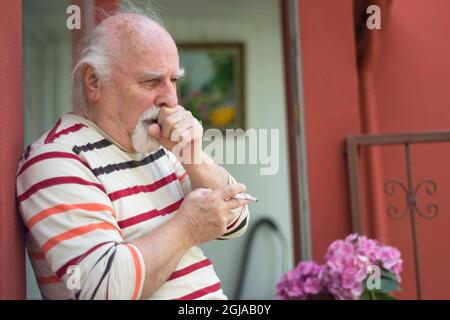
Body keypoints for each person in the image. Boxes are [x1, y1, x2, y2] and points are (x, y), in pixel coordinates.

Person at [16, 7, 250, 300]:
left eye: (173, 81)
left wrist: (194, 159)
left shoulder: (155, 145)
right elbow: (105, 289)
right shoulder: (55, 160)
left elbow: (237, 220)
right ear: (94, 81)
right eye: (151, 81)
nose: (171, 99)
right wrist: (188, 227)